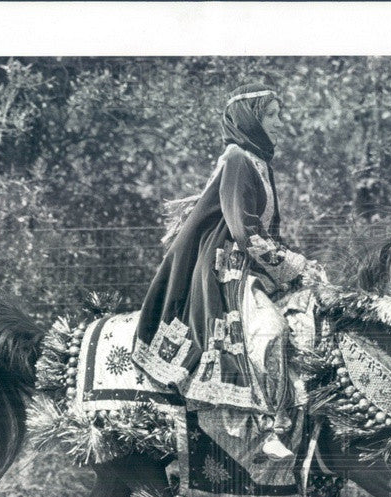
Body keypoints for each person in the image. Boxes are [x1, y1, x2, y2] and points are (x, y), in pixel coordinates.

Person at [133, 82, 321, 463]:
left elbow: (269, 231)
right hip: (226, 271)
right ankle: (269, 426)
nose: (280, 123)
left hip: (254, 264)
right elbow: (242, 230)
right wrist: (290, 264)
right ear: (250, 119)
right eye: (272, 115)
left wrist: (299, 265)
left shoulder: (261, 164)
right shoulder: (237, 158)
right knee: (271, 330)